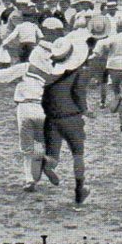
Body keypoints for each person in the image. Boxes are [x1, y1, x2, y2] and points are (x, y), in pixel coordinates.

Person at [0, 40, 62, 191]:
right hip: (44, 110)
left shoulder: (26, 68)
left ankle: (28, 179)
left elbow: (1, 75)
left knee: (26, 149)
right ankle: (47, 162)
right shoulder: (54, 74)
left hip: (25, 108)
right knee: (46, 144)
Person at [41, 36, 94, 205]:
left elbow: (44, 100)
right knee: (78, 155)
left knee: (53, 156)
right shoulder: (79, 73)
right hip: (71, 118)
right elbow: (78, 94)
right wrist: (85, 110)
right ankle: (79, 190)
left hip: (51, 118)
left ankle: (45, 164)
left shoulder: (50, 75)